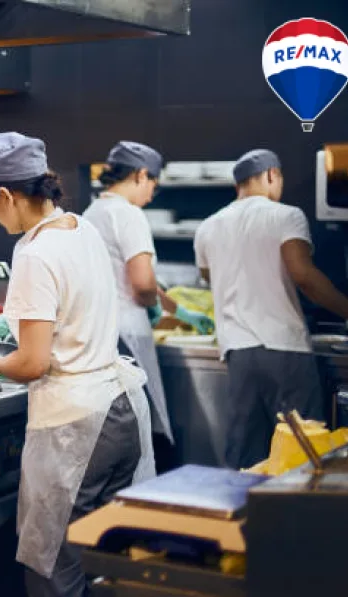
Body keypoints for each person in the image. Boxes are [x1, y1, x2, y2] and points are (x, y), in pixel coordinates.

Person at [0, 132, 155, 597]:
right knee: (105, 564)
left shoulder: (33, 252)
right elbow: (71, 312)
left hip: (76, 429)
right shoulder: (80, 228)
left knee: (54, 569)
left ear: (7, 195)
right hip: (121, 410)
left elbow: (32, 362)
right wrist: (9, 325)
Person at [194, 149, 348, 470]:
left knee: (246, 456)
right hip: (285, 349)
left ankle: (241, 516)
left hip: (238, 352)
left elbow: (209, 277)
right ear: (272, 175)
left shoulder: (208, 227)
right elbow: (303, 275)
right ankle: (298, 516)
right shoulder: (285, 215)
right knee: (302, 448)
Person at [83, 141, 214, 470]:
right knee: (139, 428)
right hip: (128, 333)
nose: (153, 192)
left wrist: (176, 309)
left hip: (97, 332)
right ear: (141, 175)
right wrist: (152, 306)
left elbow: (128, 278)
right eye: (154, 182)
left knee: (112, 427)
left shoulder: (90, 213)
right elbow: (141, 284)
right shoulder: (129, 215)